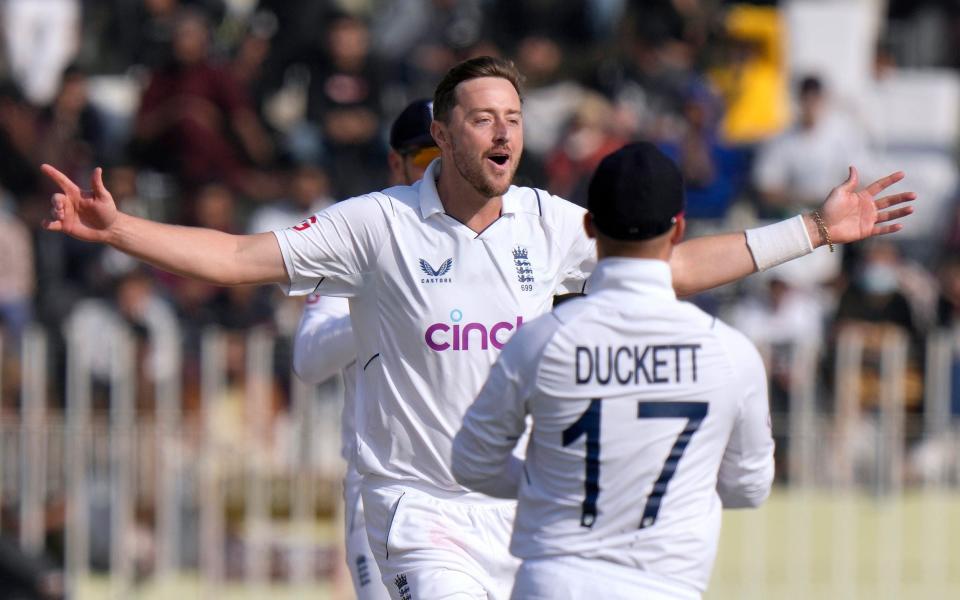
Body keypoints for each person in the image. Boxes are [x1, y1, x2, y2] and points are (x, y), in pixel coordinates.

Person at [42, 56, 914, 600]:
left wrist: (810, 230)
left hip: (520, 521)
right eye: (482, 117)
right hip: (415, 510)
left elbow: (673, 266)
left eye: (514, 118)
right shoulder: (375, 225)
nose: (503, 133)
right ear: (444, 131)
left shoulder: (544, 219)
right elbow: (236, 259)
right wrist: (120, 229)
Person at [451, 143, 774, 600]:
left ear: (588, 225)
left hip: (553, 582)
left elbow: (471, 464)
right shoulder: (731, 351)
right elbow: (749, 488)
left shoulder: (541, 339)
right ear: (679, 229)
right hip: (666, 586)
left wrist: (550, 482)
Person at [292, 98, 438, 600]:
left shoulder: (503, 233)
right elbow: (309, 359)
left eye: (450, 157)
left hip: (485, 492)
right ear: (395, 163)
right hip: (386, 492)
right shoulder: (360, 231)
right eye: (425, 160)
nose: (438, 174)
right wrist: (388, 304)